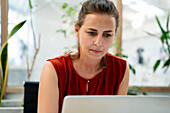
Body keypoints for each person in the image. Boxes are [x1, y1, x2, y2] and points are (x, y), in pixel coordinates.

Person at [38, 0, 129, 113]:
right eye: (92, 33)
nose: (98, 43)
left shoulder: (120, 69)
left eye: (107, 35)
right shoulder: (53, 69)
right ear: (77, 30)